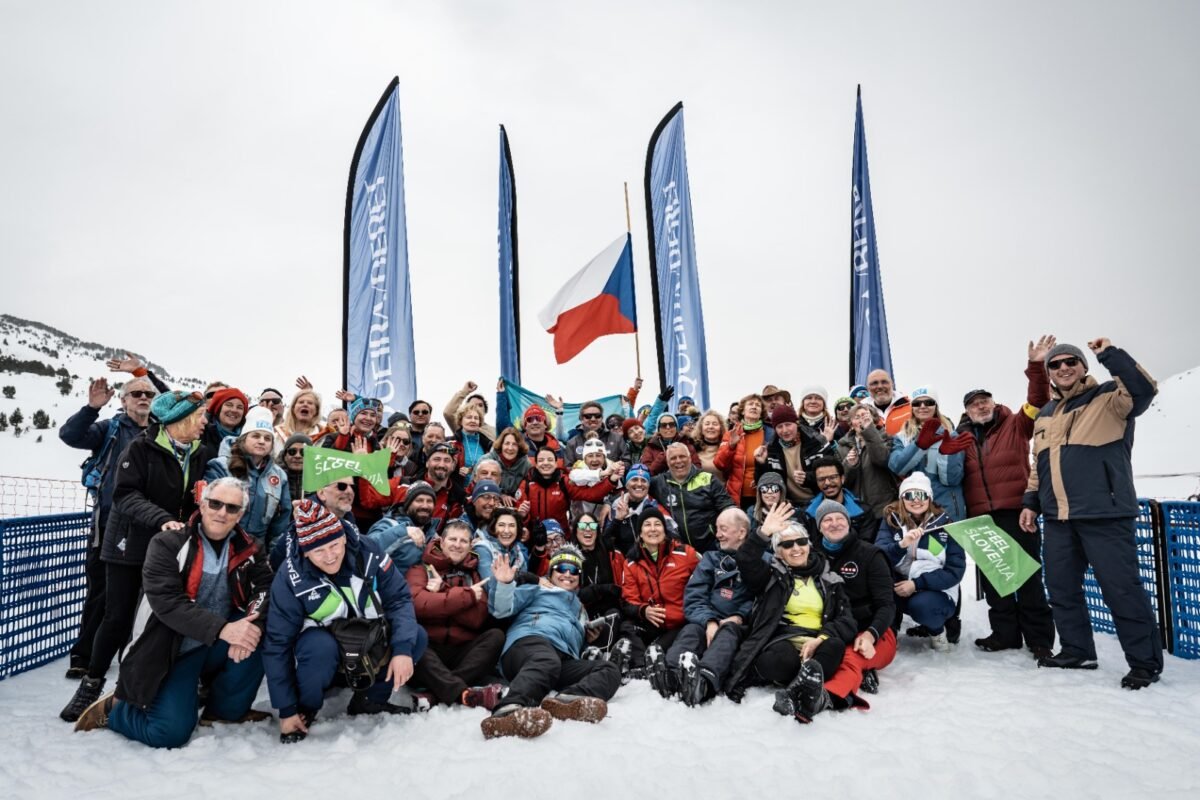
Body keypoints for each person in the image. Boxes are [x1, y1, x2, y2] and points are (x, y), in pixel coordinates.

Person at [72, 478, 274, 746]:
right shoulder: (168, 543)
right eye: (215, 503)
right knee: (169, 733)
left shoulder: (250, 548)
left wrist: (252, 624)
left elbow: (264, 588)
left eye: (232, 508)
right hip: (170, 649)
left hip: (215, 643)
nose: (222, 512)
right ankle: (116, 712)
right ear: (202, 505)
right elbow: (167, 602)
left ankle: (224, 712)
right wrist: (226, 630)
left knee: (257, 632)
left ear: (241, 514)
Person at [1019, 338, 1163, 689]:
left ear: (1083, 366)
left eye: (1071, 361)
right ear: (1050, 373)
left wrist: (1109, 355)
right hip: (1058, 519)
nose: (1064, 368)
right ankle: (1077, 650)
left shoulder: (1111, 398)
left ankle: (1145, 663)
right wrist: (1030, 502)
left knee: (1121, 589)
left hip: (1104, 514)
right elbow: (1039, 466)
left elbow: (1144, 389)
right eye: (1055, 364)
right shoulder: (1047, 415)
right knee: (1061, 588)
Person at [60, 390, 211, 722]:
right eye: (200, 415)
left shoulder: (200, 453)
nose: (205, 421)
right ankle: (92, 682)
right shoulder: (141, 448)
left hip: (171, 547)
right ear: (179, 420)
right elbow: (125, 495)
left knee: (154, 619)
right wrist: (161, 519)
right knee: (117, 617)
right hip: (129, 544)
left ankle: (136, 686)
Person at [263, 500, 428, 743]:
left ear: (343, 537)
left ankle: (372, 699)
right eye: (318, 551)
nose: (329, 557)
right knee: (318, 647)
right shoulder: (290, 576)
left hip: (369, 640)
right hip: (323, 651)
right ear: (305, 551)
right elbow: (277, 643)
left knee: (416, 636)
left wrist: (402, 650)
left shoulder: (368, 550)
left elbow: (398, 598)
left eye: (333, 545)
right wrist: (286, 710)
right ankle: (307, 707)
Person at [937, 336, 1056, 657]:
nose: (981, 405)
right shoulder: (960, 438)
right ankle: (1004, 634)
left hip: (1018, 512)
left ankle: (1040, 640)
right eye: (974, 403)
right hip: (981, 519)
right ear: (966, 410)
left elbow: (1039, 398)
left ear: (994, 402)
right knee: (995, 578)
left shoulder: (1016, 424)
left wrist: (1036, 366)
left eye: (985, 400)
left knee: (1028, 576)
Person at [58, 373, 159, 678]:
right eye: (136, 393)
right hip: (109, 523)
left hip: (150, 524)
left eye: (149, 394)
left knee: (145, 593)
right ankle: (85, 655)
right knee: (102, 591)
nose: (143, 398)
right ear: (123, 400)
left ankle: (129, 653)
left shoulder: (161, 432)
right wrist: (91, 408)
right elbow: (71, 436)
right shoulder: (110, 429)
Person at [725, 513, 856, 724]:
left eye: (801, 542)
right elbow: (745, 559)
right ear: (779, 552)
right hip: (781, 640)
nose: (796, 548)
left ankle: (801, 686)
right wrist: (763, 533)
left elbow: (847, 620)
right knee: (779, 658)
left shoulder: (829, 579)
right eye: (787, 545)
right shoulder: (770, 576)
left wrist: (821, 638)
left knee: (835, 646)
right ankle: (807, 686)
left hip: (815, 641)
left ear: (809, 545)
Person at [482, 545, 622, 739]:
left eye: (574, 570)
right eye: (561, 568)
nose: (567, 574)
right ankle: (507, 711)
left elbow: (572, 645)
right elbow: (501, 610)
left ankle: (568, 702)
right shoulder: (537, 589)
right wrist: (505, 584)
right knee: (546, 659)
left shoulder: (580, 609)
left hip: (559, 660)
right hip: (528, 645)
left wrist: (587, 640)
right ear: (551, 572)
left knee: (609, 669)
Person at [654, 507, 756, 705]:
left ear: (741, 532)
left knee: (728, 633)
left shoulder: (760, 561)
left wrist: (740, 616)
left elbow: (759, 599)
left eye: (723, 529)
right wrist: (709, 620)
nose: (717, 534)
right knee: (691, 630)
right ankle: (671, 675)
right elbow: (694, 597)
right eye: (717, 528)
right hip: (707, 618)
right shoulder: (710, 559)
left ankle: (704, 683)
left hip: (738, 625)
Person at [407, 519, 506, 708]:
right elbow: (418, 606)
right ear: (441, 542)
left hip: (463, 650)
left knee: (496, 636)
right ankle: (463, 693)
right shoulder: (421, 569)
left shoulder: (474, 574)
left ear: (470, 546)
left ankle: (438, 691)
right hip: (430, 649)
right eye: (452, 539)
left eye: (463, 541)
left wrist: (442, 593)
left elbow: (477, 618)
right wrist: (467, 597)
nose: (457, 545)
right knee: (414, 639)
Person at [813, 499, 897, 704]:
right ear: (819, 527)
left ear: (849, 522)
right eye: (827, 520)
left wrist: (871, 634)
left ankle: (828, 697)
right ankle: (864, 672)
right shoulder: (812, 557)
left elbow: (887, 605)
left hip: (872, 631)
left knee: (850, 658)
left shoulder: (870, 554)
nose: (834, 523)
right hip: (833, 630)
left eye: (840, 518)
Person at [876, 473, 965, 652]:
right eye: (910, 495)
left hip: (936, 589)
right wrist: (901, 545)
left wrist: (917, 584)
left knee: (922, 606)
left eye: (922, 495)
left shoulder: (945, 524)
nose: (916, 500)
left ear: (929, 498)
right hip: (900, 585)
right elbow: (878, 556)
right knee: (878, 592)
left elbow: (956, 570)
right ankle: (888, 636)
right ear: (902, 499)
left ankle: (938, 631)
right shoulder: (891, 521)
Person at [613, 507, 701, 672]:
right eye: (647, 525)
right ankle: (639, 668)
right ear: (640, 533)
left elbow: (704, 583)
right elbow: (628, 599)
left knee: (658, 649)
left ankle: (654, 662)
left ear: (664, 530)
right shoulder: (631, 562)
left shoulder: (685, 554)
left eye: (657, 524)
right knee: (626, 627)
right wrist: (644, 610)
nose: (653, 529)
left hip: (679, 623)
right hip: (652, 623)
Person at [205, 407, 291, 551]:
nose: (262, 441)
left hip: (256, 551)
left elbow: (280, 523)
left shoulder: (279, 476)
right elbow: (208, 509)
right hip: (219, 545)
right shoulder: (220, 466)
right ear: (243, 439)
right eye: (256, 436)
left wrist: (273, 555)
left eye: (267, 438)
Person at [887, 386, 966, 521]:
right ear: (912, 408)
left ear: (936, 407)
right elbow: (896, 467)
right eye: (917, 403)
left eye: (929, 402)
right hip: (915, 505)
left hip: (947, 504)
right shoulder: (902, 437)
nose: (922, 406)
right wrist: (918, 446)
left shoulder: (951, 435)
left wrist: (946, 454)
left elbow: (952, 479)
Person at [649, 442, 735, 553]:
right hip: (677, 550)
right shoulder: (658, 483)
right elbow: (638, 487)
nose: (678, 461)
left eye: (682, 456)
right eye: (673, 458)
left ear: (690, 458)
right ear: (667, 462)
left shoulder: (708, 479)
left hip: (710, 547)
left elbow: (728, 506)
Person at [516, 446, 618, 533]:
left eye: (550, 460)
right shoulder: (526, 485)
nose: (546, 463)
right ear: (536, 464)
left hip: (561, 536)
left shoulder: (564, 482)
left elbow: (591, 494)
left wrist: (611, 480)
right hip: (534, 537)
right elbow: (519, 516)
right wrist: (523, 516)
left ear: (556, 464)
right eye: (541, 460)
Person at [756, 403, 836, 507]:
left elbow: (832, 472)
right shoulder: (771, 448)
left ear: (796, 423)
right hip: (788, 503)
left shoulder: (816, 441)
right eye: (779, 426)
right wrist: (761, 464)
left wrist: (808, 478)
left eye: (788, 424)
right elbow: (764, 483)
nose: (785, 430)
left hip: (820, 500)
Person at [574, 512, 625, 650]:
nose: (588, 529)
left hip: (611, 611)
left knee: (614, 615)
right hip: (584, 615)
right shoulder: (571, 558)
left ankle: (599, 652)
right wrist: (603, 588)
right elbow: (575, 594)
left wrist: (618, 518)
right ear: (575, 530)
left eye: (592, 525)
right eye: (583, 525)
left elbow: (611, 531)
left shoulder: (606, 551)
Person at [714, 394, 774, 509]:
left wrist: (762, 478)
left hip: (766, 494)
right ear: (742, 411)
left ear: (761, 412)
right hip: (738, 495)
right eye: (750, 404)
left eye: (758, 405)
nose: (754, 407)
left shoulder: (770, 434)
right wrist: (731, 445)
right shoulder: (732, 433)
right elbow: (719, 464)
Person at [838, 403, 898, 518]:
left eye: (866, 416)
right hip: (855, 509)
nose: (862, 420)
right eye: (857, 417)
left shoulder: (887, 438)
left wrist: (869, 431)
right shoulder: (842, 446)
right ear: (851, 424)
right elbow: (842, 482)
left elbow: (882, 459)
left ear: (874, 421)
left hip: (883, 508)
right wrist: (849, 465)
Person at [365, 480, 437, 571]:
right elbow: (367, 548)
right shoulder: (390, 524)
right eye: (419, 500)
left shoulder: (433, 534)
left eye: (429, 501)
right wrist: (403, 531)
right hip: (388, 583)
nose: (425, 506)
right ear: (408, 505)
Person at [605, 463, 676, 553]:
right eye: (634, 479)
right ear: (626, 485)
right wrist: (618, 520)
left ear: (648, 486)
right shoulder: (615, 507)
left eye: (643, 480)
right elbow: (605, 541)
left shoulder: (656, 508)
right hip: (623, 563)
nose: (639, 484)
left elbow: (675, 539)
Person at [803, 457, 876, 542]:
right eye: (821, 479)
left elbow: (866, 546)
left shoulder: (863, 512)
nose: (827, 483)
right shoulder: (806, 514)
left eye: (832, 477)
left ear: (842, 479)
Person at [472, 507, 530, 580]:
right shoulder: (483, 549)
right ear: (493, 527)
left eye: (512, 525)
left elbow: (524, 586)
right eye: (501, 525)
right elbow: (490, 585)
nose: (506, 531)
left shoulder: (517, 551)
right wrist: (528, 577)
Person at [564, 399, 628, 465]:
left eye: (597, 416)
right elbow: (568, 468)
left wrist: (615, 470)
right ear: (581, 419)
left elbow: (627, 461)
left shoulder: (617, 439)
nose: (593, 419)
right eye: (588, 416)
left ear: (602, 418)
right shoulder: (572, 444)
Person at [202, 386, 249, 453]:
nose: (234, 410)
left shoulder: (247, 439)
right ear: (218, 409)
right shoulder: (202, 432)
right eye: (229, 405)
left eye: (239, 407)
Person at [865, 370, 911, 437]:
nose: (880, 386)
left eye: (884, 382)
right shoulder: (860, 412)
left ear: (892, 384)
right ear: (868, 388)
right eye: (874, 383)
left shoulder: (911, 407)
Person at [492, 426, 531, 500]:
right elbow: (478, 485)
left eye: (514, 444)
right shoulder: (487, 461)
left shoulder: (526, 465)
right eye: (507, 443)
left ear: (519, 447)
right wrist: (500, 495)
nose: (510, 448)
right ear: (501, 445)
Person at [691, 410, 728, 480]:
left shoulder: (728, 448)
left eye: (715, 424)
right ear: (701, 428)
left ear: (721, 428)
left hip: (724, 490)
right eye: (707, 424)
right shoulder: (693, 449)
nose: (711, 427)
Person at [277, 434, 311, 503]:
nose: (297, 456)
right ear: (284, 455)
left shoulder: (319, 480)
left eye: (303, 452)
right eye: (292, 451)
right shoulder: (273, 477)